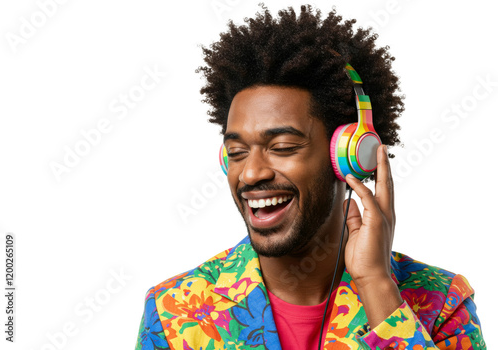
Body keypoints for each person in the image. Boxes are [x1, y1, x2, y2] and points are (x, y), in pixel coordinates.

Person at [135, 5, 485, 349]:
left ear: (347, 157)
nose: (252, 173)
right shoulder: (174, 315)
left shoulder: (441, 304)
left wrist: (377, 286)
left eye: (283, 146)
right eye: (238, 152)